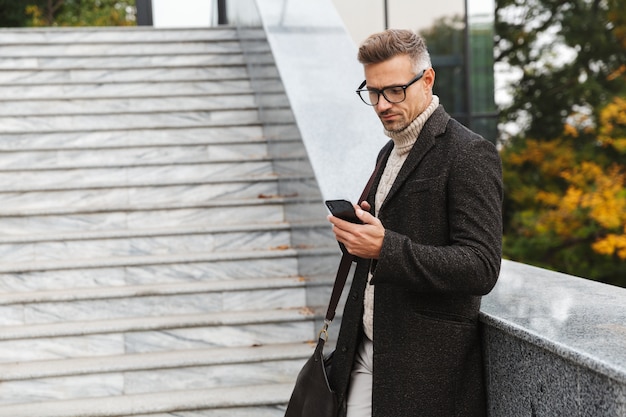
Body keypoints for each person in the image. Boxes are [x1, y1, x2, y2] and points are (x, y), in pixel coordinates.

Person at [326, 29, 503, 417]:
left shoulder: (470, 153)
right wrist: (355, 234)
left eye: (394, 90)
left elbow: (481, 267)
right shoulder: (388, 151)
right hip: (365, 345)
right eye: (372, 92)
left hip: (422, 368)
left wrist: (384, 247)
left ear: (427, 80)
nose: (381, 105)